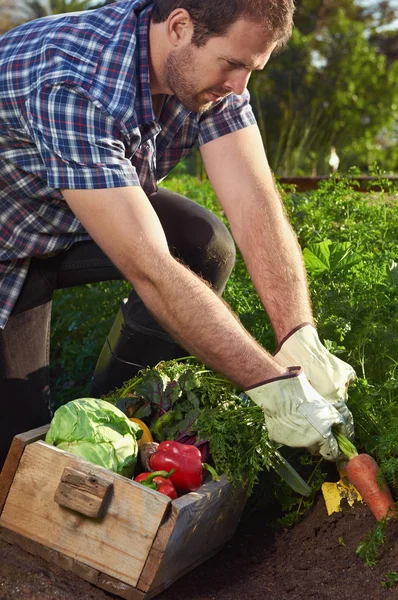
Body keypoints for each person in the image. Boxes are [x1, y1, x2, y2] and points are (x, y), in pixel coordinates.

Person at [0, 0, 356, 471]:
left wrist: (299, 337)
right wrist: (272, 386)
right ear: (179, 26)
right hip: (11, 241)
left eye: (251, 69)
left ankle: (123, 417)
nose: (238, 86)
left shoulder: (210, 71)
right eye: (232, 64)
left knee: (202, 243)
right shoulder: (71, 80)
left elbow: (254, 205)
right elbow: (153, 270)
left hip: (73, 208)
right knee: (17, 454)